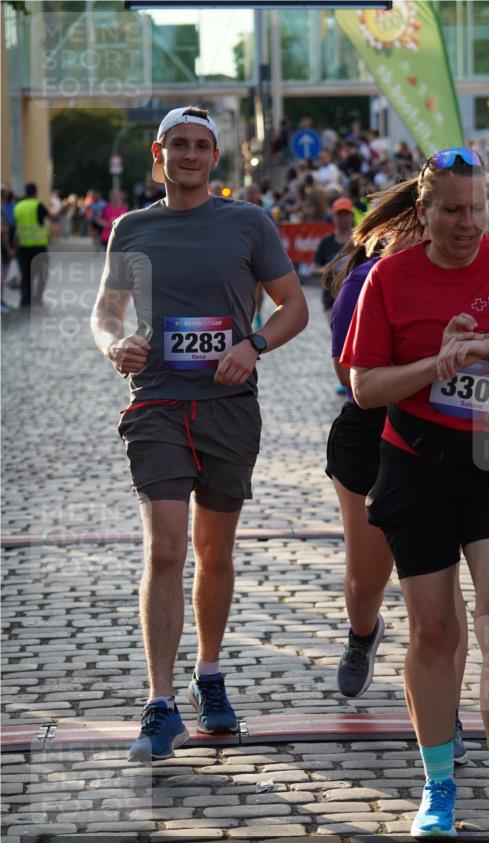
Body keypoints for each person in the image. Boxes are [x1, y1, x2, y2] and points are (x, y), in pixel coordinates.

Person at [340, 147, 489, 843]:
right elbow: (364, 387)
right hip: (416, 460)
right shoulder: (390, 277)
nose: (466, 222)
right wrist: (433, 362)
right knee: (434, 629)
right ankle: (437, 784)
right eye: (451, 209)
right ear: (424, 212)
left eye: (475, 207)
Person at [92, 106, 308, 762]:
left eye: (201, 146)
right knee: (166, 548)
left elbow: (293, 305)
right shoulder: (131, 229)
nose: (189, 155)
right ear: (158, 155)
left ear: (214, 158)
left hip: (227, 407)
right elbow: (106, 311)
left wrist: (253, 344)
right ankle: (160, 705)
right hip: (156, 403)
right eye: (178, 144)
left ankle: (207, 674)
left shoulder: (247, 223)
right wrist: (112, 345)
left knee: (213, 553)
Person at [323, 180, 469, 763]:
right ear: (397, 226)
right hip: (370, 432)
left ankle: (445, 713)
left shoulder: (470, 275)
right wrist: (427, 364)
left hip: (447, 434)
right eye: (418, 221)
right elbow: (348, 375)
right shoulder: (363, 281)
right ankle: (363, 633)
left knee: (441, 582)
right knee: (366, 579)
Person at [313, 197, 355, 325]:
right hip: (331, 298)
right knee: (338, 332)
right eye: (339, 214)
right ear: (333, 217)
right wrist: (326, 269)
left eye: (345, 214)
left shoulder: (360, 241)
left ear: (351, 216)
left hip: (355, 295)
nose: (342, 218)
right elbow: (314, 267)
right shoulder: (326, 242)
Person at [13, 182, 52, 307]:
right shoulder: (38, 205)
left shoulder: (17, 207)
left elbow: (14, 230)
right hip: (38, 248)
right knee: (42, 274)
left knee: (26, 275)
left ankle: (25, 302)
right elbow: (53, 218)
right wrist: (64, 208)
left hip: (22, 248)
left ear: (25, 192)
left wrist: (13, 249)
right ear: (36, 192)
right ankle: (37, 298)